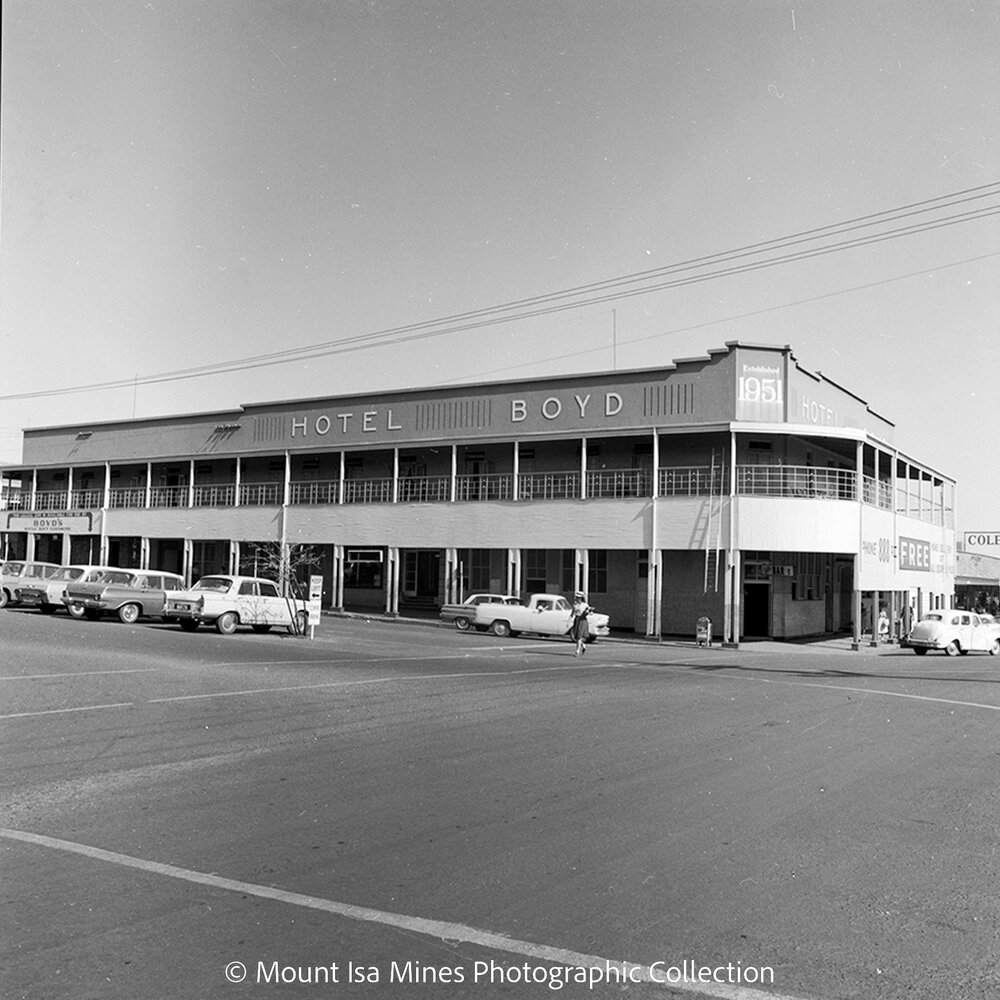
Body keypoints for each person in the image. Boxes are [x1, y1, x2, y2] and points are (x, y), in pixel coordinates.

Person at [570, 591, 592, 656]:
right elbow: (572, 613)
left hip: (583, 620)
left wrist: (588, 612)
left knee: (579, 635)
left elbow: (590, 612)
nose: (577, 599)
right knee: (576, 636)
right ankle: (583, 645)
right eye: (576, 597)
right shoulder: (575, 605)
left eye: (579, 598)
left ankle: (577, 651)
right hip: (577, 620)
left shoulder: (585, 605)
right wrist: (570, 619)